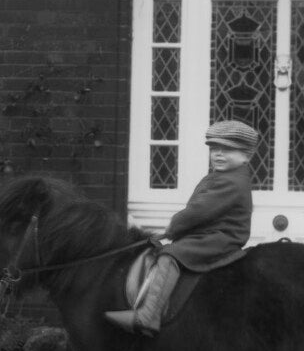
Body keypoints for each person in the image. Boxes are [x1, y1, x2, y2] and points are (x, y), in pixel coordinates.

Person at [105, 120, 256, 336]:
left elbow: (198, 212)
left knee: (170, 255)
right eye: (214, 149)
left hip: (220, 238)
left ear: (247, 156)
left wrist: (172, 230)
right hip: (209, 234)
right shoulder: (223, 176)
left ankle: (148, 316)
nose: (218, 154)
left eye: (228, 149)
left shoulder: (230, 182)